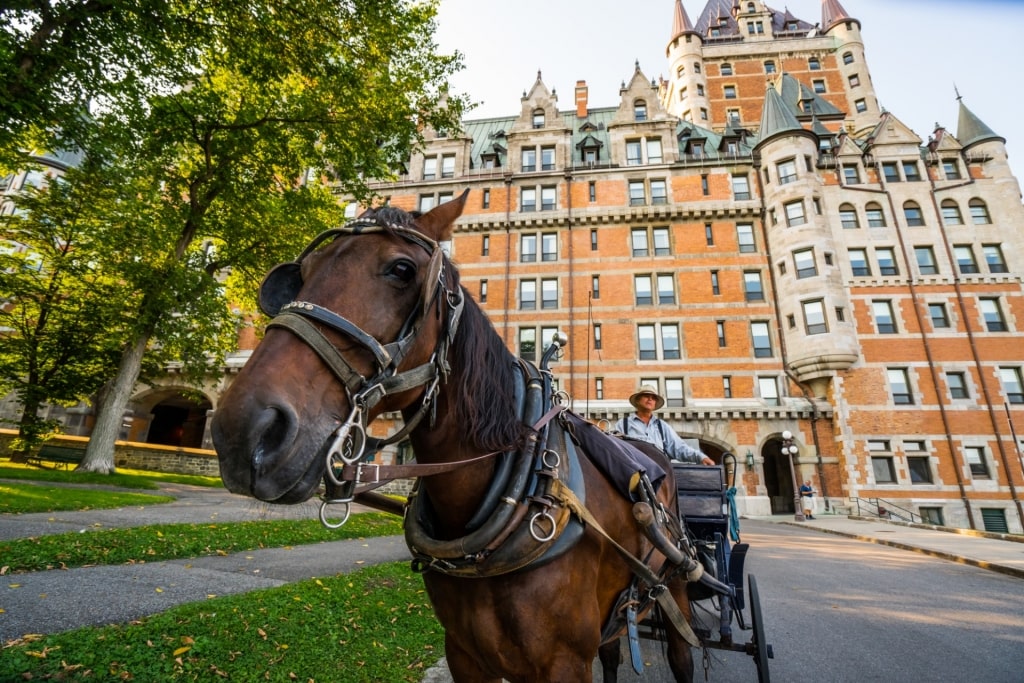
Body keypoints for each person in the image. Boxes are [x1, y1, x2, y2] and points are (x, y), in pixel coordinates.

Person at [617, 385, 714, 465]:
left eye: (654, 397)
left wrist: (701, 457)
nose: (650, 399)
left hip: (660, 474)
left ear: (655, 403)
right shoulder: (623, 425)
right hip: (633, 473)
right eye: (646, 395)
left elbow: (679, 448)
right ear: (638, 400)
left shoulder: (662, 427)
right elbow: (615, 450)